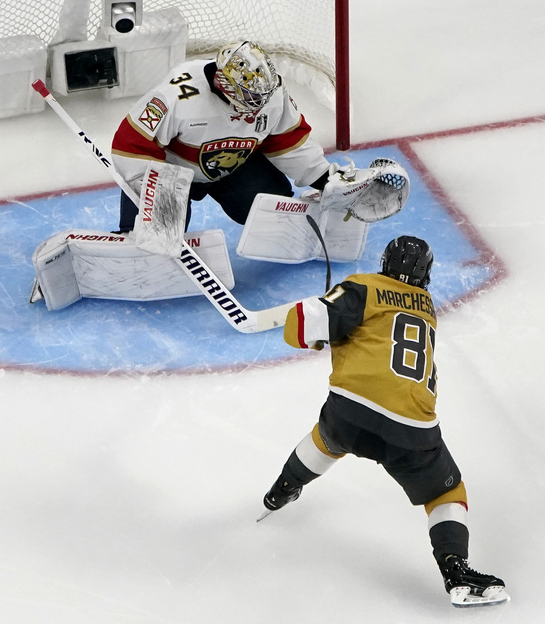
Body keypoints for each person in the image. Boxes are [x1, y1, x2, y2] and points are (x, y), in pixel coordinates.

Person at [259, 235, 509, 608]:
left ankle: (282, 489)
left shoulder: (364, 287)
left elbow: (298, 327)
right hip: (411, 428)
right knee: (447, 494)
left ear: (385, 263)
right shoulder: (426, 309)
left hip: (350, 413)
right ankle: (455, 569)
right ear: (425, 274)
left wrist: (318, 324)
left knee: (327, 439)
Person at [109, 40, 407, 234]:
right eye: (251, 98)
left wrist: (325, 180)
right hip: (171, 172)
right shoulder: (177, 95)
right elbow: (130, 148)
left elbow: (289, 141)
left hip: (232, 170)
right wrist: (160, 208)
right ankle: (135, 234)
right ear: (224, 83)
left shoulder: (271, 92)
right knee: (158, 230)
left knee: (273, 213)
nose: (259, 108)